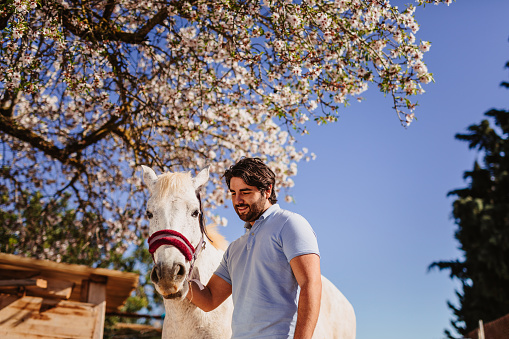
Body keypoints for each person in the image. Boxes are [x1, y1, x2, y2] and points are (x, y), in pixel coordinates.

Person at [186, 157, 322, 339]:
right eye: (233, 193)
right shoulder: (235, 248)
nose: (238, 200)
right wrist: (175, 280)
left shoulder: (289, 224)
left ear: (267, 191)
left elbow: (310, 284)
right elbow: (209, 299)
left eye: (245, 192)